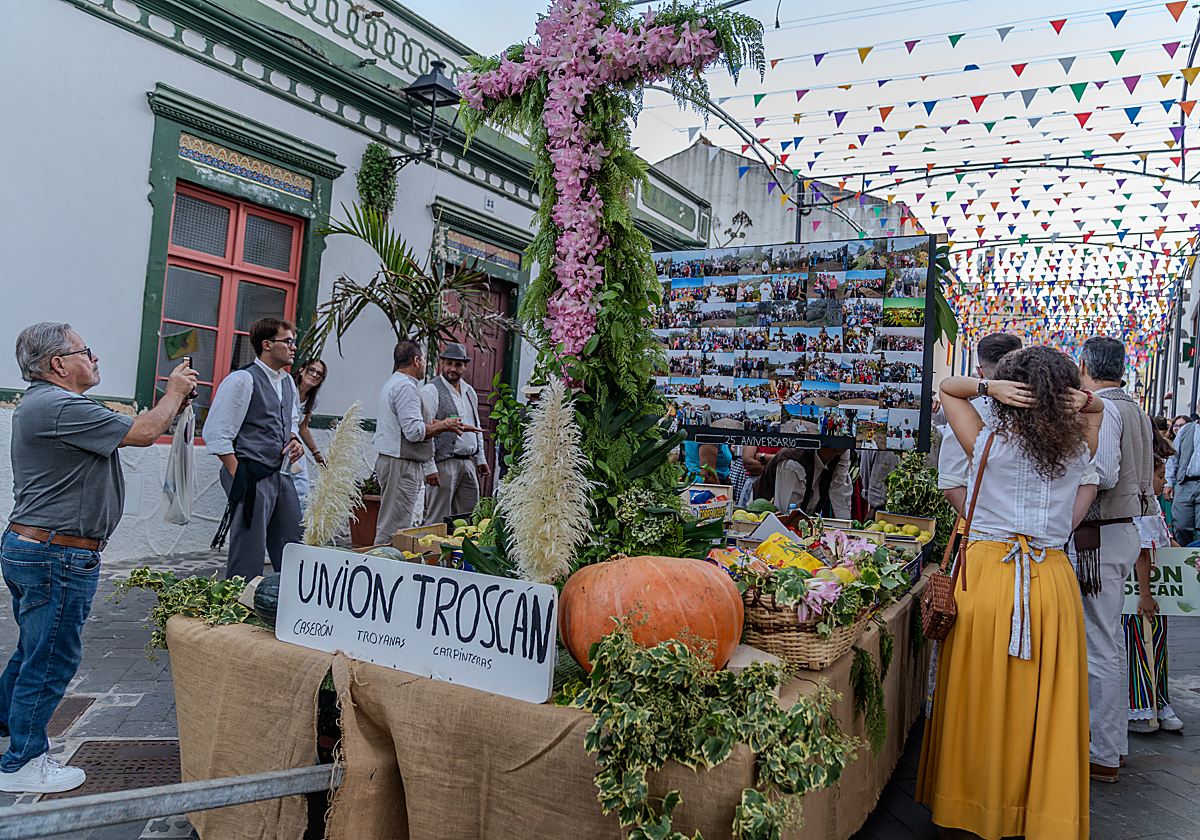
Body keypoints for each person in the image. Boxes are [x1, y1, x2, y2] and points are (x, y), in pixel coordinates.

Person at [0, 323, 197, 793]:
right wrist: (172, 392)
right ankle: (23, 763)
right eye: (84, 351)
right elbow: (146, 431)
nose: (94, 358)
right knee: (50, 660)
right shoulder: (58, 404)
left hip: (39, 547)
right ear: (58, 364)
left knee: (33, 651)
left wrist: (172, 403)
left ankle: (9, 730)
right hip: (57, 554)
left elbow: (140, 426)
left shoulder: (51, 405)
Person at [918, 346, 1105, 840]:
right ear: (1063, 396)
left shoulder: (986, 443)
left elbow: (947, 389)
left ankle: (974, 806)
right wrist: (1077, 400)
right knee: (1045, 705)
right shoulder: (1076, 451)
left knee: (980, 696)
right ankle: (1039, 812)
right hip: (1052, 582)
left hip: (989, 576)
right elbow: (1099, 408)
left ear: (1009, 392)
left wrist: (988, 387)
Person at [1075, 336, 1156, 783]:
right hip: (1120, 532)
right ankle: (1111, 745)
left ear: (1084, 366)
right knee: (1108, 640)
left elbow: (1099, 474)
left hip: (1099, 536)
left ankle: (1103, 750)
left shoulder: (1104, 409)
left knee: (1100, 644)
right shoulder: (1137, 408)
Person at [206, 318, 305, 580]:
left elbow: (290, 421)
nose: (294, 347)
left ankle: (290, 599)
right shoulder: (242, 380)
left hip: (280, 473)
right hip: (249, 472)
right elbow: (216, 434)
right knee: (249, 546)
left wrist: (294, 440)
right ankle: (239, 602)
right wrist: (239, 475)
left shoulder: (288, 382)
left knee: (292, 538)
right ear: (267, 345)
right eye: (288, 341)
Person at [373, 340, 466, 545]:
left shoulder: (397, 383)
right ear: (416, 361)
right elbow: (414, 432)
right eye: (424, 359)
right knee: (393, 526)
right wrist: (445, 426)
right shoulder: (405, 387)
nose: (425, 364)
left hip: (397, 461)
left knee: (395, 521)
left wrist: (445, 423)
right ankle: (384, 565)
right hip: (400, 463)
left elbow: (413, 420)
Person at [1124, 442, 1184, 734]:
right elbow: (1142, 551)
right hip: (1139, 594)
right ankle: (1140, 706)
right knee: (1138, 646)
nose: (1164, 482)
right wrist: (1144, 594)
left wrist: (1188, 560)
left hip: (1158, 589)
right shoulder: (1140, 505)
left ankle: (1158, 701)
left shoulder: (1154, 505)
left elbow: (1165, 541)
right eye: (1160, 476)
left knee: (1156, 646)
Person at [938, 333, 1022, 514]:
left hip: (983, 533)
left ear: (980, 372)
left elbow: (952, 487)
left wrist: (983, 526)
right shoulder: (1049, 414)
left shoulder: (965, 414)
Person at [421, 343, 490, 526]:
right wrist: (429, 467)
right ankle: (432, 554)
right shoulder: (431, 390)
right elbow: (423, 429)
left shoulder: (469, 391)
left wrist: (480, 459)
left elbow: (476, 425)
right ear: (441, 363)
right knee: (438, 518)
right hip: (443, 462)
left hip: (467, 462)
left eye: (458, 365)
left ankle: (460, 554)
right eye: (449, 363)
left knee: (469, 517)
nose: (453, 368)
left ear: (465, 366)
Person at [753, 447, 852, 518]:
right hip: (762, 519)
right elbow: (786, 514)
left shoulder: (842, 452)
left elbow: (840, 489)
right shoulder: (793, 463)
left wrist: (845, 530)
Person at [291, 359, 328, 513]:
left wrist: (316, 452)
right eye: (311, 370)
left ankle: (299, 532)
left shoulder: (312, 399)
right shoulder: (288, 388)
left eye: (319, 374)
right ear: (301, 370)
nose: (314, 375)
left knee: (302, 490)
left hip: (293, 444)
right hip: (277, 442)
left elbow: (303, 427)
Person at [681, 418, 740, 484]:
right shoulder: (709, 436)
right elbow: (708, 475)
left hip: (695, 482)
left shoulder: (697, 434)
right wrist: (719, 491)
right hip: (705, 487)